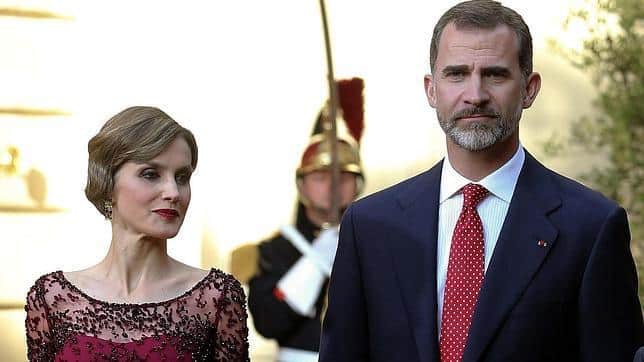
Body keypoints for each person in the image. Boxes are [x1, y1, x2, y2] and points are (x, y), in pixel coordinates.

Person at [319, 1, 644, 361]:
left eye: (495, 74)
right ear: (431, 89)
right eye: (456, 74)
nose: (475, 95)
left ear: (529, 89)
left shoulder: (591, 227)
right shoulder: (369, 226)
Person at [24, 106, 249, 361]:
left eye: (182, 177)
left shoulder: (216, 297)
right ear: (107, 183)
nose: (173, 192)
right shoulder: (52, 299)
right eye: (151, 174)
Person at [231, 78, 365, 362]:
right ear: (302, 185)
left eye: (344, 176)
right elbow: (269, 322)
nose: (332, 185)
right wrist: (317, 260)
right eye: (320, 176)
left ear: (359, 184)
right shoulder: (269, 252)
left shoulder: (378, 244)